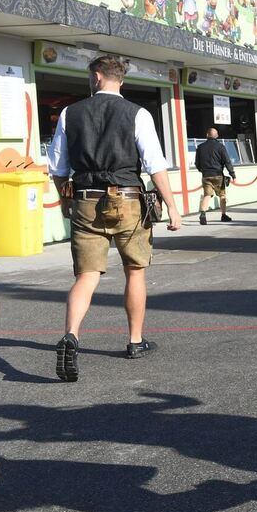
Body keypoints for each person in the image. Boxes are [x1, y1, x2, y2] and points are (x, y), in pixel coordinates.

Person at [47, 54, 182, 381]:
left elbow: (57, 167)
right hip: (127, 201)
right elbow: (155, 164)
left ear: (95, 77)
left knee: (86, 276)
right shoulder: (137, 114)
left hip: (85, 201)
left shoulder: (70, 113)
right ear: (120, 80)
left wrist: (65, 199)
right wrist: (172, 206)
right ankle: (135, 341)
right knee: (134, 272)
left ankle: (71, 337)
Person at [194, 127, 236, 225]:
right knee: (222, 195)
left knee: (207, 195)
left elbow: (197, 163)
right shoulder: (220, 146)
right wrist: (232, 174)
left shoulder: (200, 147)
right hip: (218, 175)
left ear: (207, 135)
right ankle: (223, 215)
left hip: (206, 175)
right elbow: (227, 161)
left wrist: (202, 170)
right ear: (216, 136)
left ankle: (203, 214)